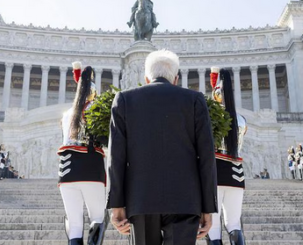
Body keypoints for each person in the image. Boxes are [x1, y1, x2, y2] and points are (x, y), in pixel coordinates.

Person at [107, 50, 217, 245]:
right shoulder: (194, 100)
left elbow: (116, 158)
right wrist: (208, 207)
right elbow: (207, 157)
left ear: (146, 78)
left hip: (141, 199)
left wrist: (117, 204)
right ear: (176, 79)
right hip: (185, 200)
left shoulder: (124, 100)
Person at [57, 62, 107, 245]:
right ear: (93, 93)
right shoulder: (96, 110)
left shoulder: (66, 114)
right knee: (98, 218)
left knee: (75, 224)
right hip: (90, 169)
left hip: (66, 172)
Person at [207, 67, 247, 245]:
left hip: (214, 175)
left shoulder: (209, 119)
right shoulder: (241, 120)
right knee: (234, 225)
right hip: (236, 175)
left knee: (213, 228)